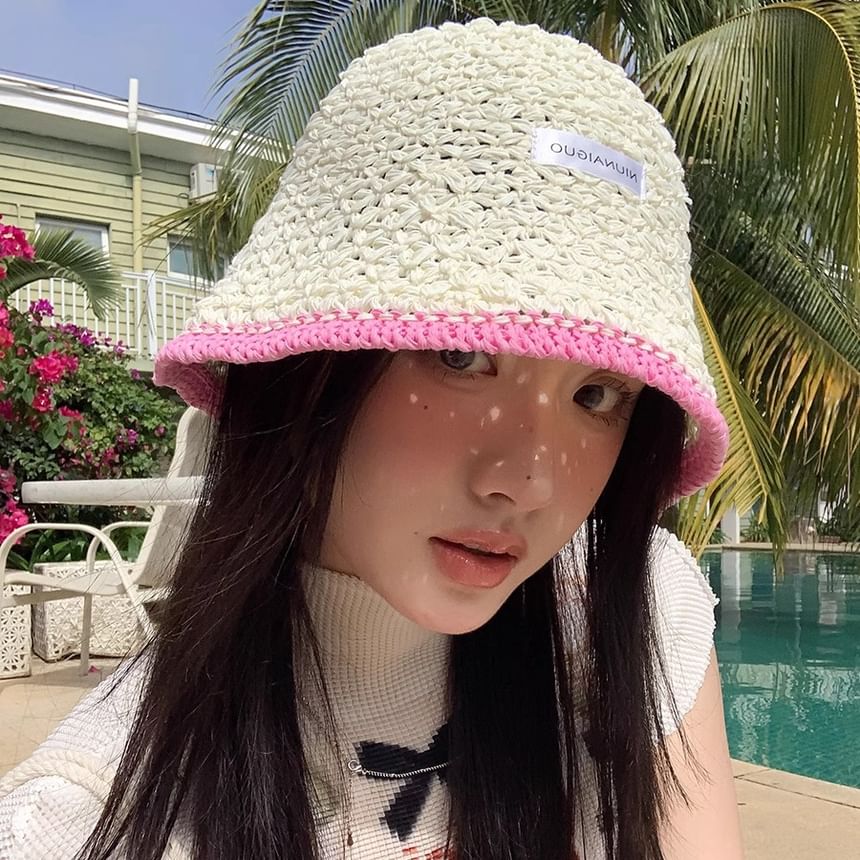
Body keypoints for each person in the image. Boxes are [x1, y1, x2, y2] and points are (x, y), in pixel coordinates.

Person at [0, 17, 743, 860]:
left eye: (596, 394)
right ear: (310, 368)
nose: (528, 480)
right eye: (460, 356)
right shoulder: (83, 820)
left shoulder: (633, 621)